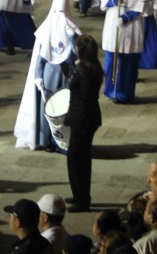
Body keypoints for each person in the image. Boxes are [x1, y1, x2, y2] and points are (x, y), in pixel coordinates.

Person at [63, 34, 103, 212]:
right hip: (85, 117)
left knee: (77, 159)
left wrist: (80, 121)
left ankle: (82, 199)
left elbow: (86, 98)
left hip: (83, 119)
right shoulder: (92, 67)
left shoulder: (85, 71)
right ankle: (79, 194)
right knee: (79, 157)